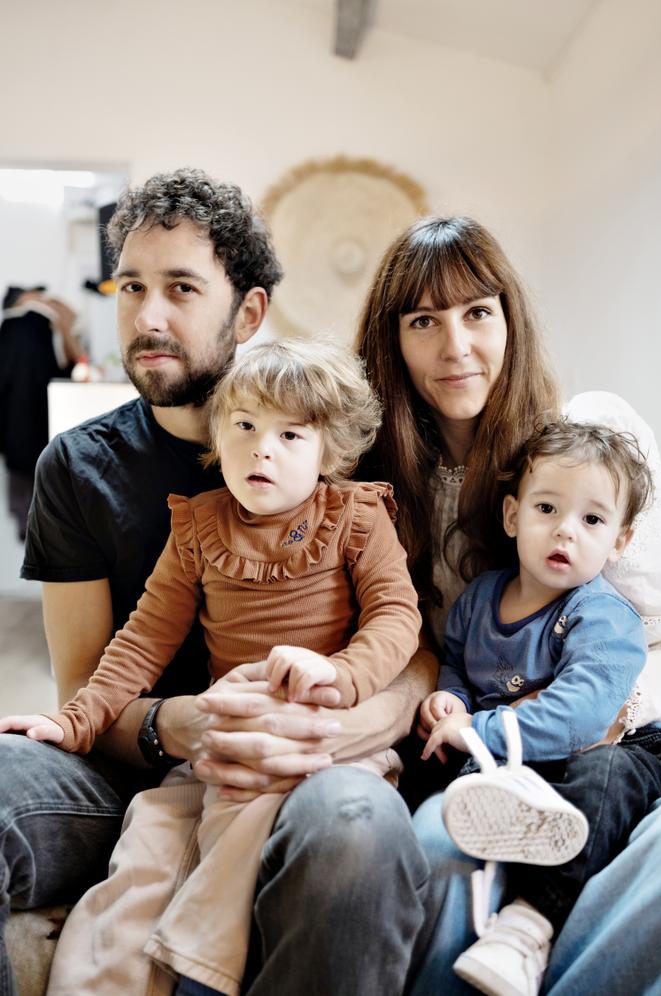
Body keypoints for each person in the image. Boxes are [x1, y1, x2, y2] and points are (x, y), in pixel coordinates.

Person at [2, 169, 436, 996]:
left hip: (319, 738)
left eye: (181, 288)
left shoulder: (340, 471)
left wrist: (339, 722)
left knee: (355, 826)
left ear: (248, 311)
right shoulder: (92, 474)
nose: (148, 315)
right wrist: (182, 729)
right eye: (131, 285)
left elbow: (410, 631)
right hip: (146, 763)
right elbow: (101, 674)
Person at [355, 215, 661, 994]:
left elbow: (644, 627)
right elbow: (436, 654)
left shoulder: (586, 446)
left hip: (609, 721)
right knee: (438, 842)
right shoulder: (372, 483)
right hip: (470, 735)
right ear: (394, 341)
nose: (455, 345)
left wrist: (598, 728)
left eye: (477, 312)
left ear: (508, 320)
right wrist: (449, 715)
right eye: (424, 320)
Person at [419, 419, 661, 996]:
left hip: (618, 754)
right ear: (512, 517)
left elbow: (582, 716)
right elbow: (457, 663)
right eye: (547, 509)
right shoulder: (480, 597)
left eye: (593, 520)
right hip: (510, 759)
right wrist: (448, 701)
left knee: (601, 776)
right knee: (442, 794)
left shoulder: (602, 617)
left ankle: (529, 927)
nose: (566, 533)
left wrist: (475, 728)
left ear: (620, 541)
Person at [0, 287, 81, 538]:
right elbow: (73, 371)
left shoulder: (10, 331)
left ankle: (30, 527)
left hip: (16, 435)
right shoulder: (41, 326)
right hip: (43, 428)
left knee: (24, 482)